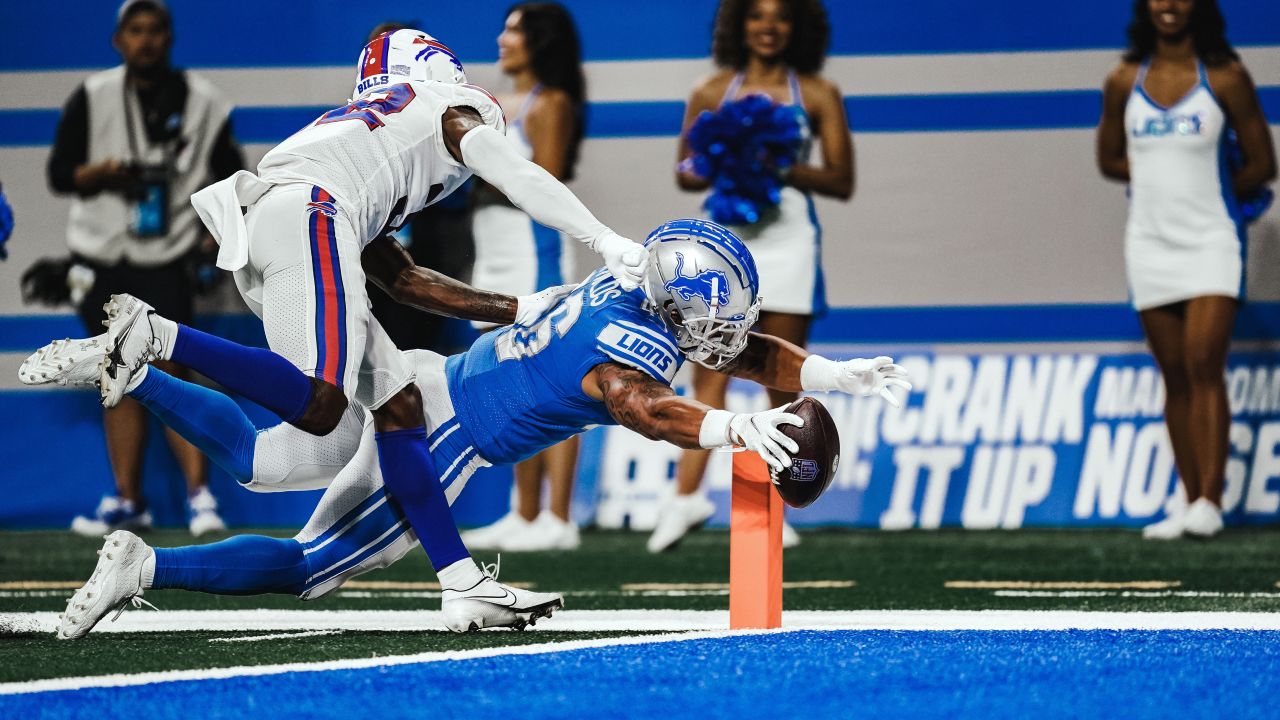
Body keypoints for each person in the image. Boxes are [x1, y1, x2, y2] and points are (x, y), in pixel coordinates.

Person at [35, 27, 647, 631]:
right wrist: (603, 239)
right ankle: (158, 337)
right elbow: (518, 176)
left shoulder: (364, 137)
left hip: (269, 223)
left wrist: (516, 308)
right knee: (322, 403)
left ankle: (460, 582)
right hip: (310, 212)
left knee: (396, 403)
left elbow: (404, 280)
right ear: (436, 70)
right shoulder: (447, 109)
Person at [28, 219, 909, 638]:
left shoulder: (628, 284)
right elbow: (639, 408)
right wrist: (729, 433)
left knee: (264, 460)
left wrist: (830, 373)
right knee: (308, 570)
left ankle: (142, 367)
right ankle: (147, 562)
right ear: (672, 304)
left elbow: (741, 348)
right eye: (710, 317)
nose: (723, 337)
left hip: (423, 380)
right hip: (447, 440)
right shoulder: (626, 348)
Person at [656, 0, 852, 552]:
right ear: (739, 25)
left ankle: (777, 502)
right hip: (724, 241)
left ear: (798, 28)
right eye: (757, 16)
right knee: (708, 367)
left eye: (782, 17)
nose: (769, 27)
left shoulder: (816, 93)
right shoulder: (709, 89)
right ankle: (685, 498)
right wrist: (725, 157)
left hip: (790, 238)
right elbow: (685, 170)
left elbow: (841, 178)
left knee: (780, 376)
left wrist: (772, 163)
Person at [44, 0, 244, 536]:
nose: (146, 40)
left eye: (155, 30)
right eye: (136, 31)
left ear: (170, 37)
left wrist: (210, 239)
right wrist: (102, 172)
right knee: (116, 372)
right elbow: (60, 174)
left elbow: (232, 182)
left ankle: (201, 498)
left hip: (168, 255)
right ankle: (128, 501)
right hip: (102, 254)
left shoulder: (204, 102)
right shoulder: (92, 95)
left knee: (176, 369)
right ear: (118, 40)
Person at [1097, 0, 1275, 540]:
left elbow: (1265, 164)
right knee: (1174, 375)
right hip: (1149, 243)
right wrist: (1156, 171)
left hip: (1212, 240)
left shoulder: (1225, 75)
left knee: (1203, 364)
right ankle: (1189, 499)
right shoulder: (1124, 78)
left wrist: (1208, 184)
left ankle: (1211, 504)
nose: (1168, 4)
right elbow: (1108, 159)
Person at [463, 2, 588, 552]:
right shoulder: (489, 105)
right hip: (491, 251)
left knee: (551, 378)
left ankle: (559, 518)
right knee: (512, 381)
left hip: (534, 252)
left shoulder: (550, 103)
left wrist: (475, 171)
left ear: (540, 41)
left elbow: (548, 181)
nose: (502, 38)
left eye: (514, 30)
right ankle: (525, 510)